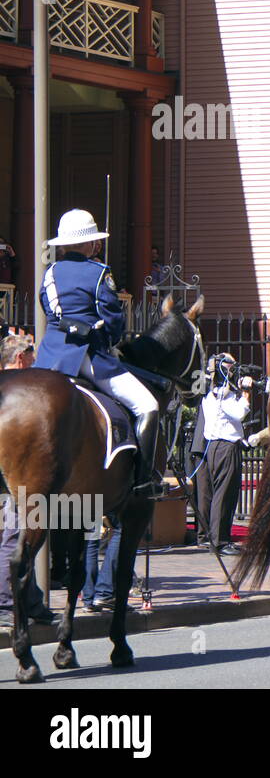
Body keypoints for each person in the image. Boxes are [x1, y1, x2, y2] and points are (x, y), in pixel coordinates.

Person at [33, 209, 163, 497]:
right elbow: (114, 321)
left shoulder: (50, 273)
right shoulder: (99, 273)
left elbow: (48, 308)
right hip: (87, 357)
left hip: (50, 358)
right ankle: (143, 481)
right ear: (91, 244)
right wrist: (107, 338)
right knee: (148, 405)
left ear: (63, 245)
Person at [0, 331, 57, 630]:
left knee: (25, 533)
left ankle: (32, 601)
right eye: (32, 360)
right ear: (21, 359)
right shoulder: (19, 394)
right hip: (15, 477)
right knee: (15, 535)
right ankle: (8, 603)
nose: (35, 366)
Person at [197, 354, 252, 554]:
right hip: (225, 447)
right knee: (224, 494)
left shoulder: (211, 393)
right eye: (231, 368)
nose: (234, 371)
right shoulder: (221, 395)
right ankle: (219, 542)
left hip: (215, 447)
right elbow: (239, 413)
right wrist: (246, 393)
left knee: (221, 493)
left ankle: (218, 538)